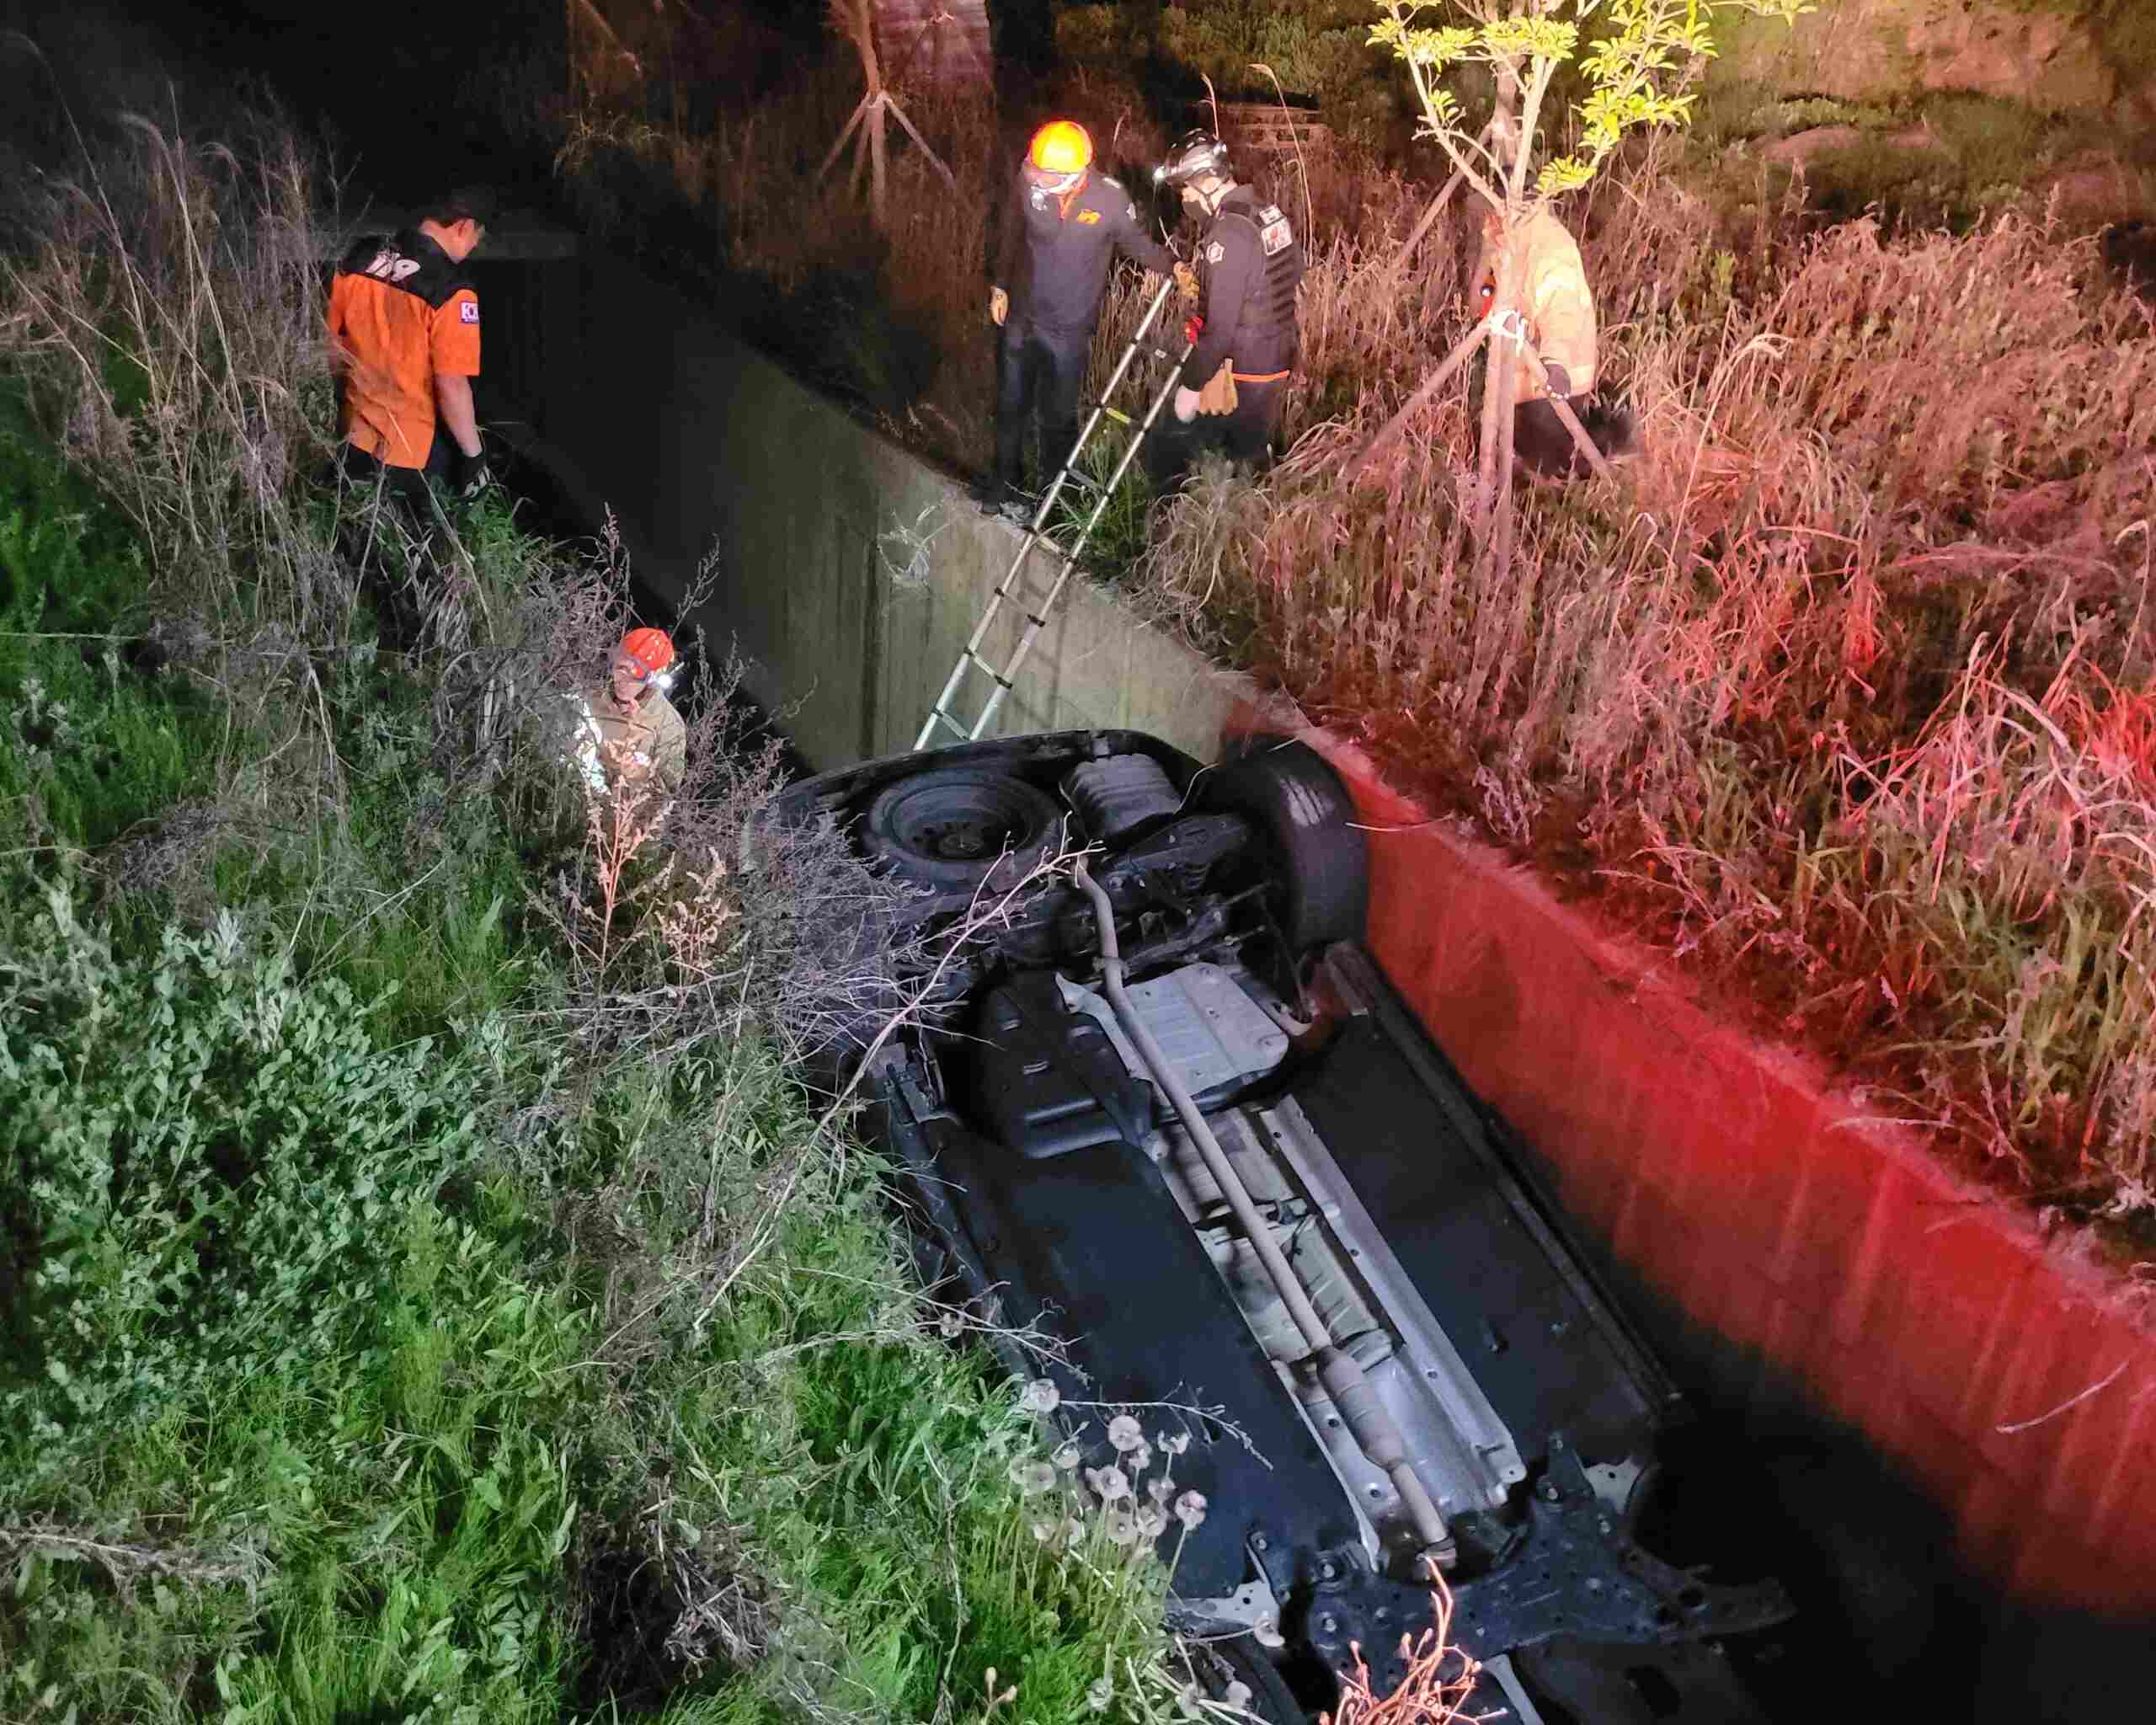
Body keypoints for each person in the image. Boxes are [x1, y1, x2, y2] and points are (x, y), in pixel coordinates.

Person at [985, 119, 1183, 517]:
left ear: (1076, 174)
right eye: (1035, 170)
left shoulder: (1109, 201)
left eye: (1046, 175)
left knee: (1057, 418)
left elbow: (1137, 245)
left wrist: (1176, 267)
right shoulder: (1029, 184)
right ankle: (1002, 484)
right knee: (1010, 404)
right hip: (1023, 317)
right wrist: (1000, 285)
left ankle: (1051, 504)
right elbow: (1011, 230)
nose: (1037, 179)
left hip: (1069, 331)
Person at [1147, 129, 1305, 488]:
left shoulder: (1228, 234)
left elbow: (1219, 332)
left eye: (1184, 189)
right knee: (1252, 448)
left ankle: (1224, 524)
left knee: (1227, 456)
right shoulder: (1267, 211)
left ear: (1205, 182)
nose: (1184, 198)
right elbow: (1295, 272)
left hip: (1247, 366)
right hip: (1277, 352)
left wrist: (1190, 387)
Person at [327, 186, 495, 504]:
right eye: (477, 238)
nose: (474, 248)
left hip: (353, 435)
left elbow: (334, 347)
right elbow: (452, 385)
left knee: (355, 536)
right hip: (411, 454)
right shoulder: (453, 292)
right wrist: (474, 457)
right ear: (464, 226)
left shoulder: (359, 257)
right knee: (421, 544)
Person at [1472, 202, 1629, 479]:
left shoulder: (1548, 245)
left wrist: (1554, 362)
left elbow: (1563, 309)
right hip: (1523, 375)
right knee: (1529, 467)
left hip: (1548, 381)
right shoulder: (1508, 235)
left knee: (1546, 472)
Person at [571, 628, 688, 802]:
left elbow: (666, 791)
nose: (624, 679)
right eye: (621, 667)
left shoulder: (668, 724)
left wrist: (641, 775)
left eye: (636, 674)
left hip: (613, 816)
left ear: (651, 678)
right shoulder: (590, 696)